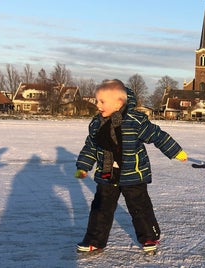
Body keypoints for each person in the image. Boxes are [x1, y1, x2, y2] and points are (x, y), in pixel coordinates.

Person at [74, 79, 188, 253]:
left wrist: (175, 151)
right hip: (107, 174)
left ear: (119, 103)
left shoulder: (135, 121)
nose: (98, 105)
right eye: (98, 101)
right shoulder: (97, 124)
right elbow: (91, 146)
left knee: (140, 208)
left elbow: (157, 136)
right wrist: (83, 166)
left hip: (133, 175)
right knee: (100, 209)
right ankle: (94, 240)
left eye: (102, 101)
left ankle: (149, 238)